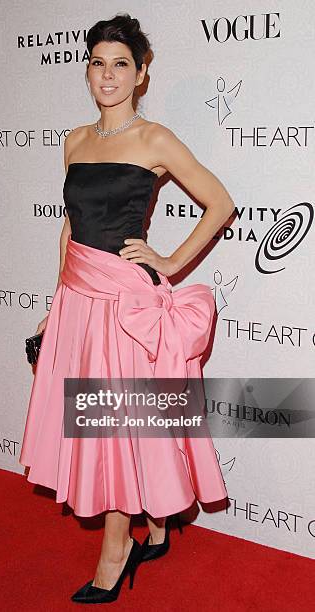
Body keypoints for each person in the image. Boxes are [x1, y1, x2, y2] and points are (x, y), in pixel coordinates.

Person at [19, 13, 234, 604]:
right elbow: (69, 226)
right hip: (79, 301)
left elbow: (220, 202)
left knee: (116, 426)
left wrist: (169, 263)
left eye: (121, 65)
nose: (107, 75)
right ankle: (159, 524)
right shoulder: (74, 140)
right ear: (87, 72)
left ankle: (118, 552)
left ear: (141, 75)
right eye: (97, 63)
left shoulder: (155, 138)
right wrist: (54, 303)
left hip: (123, 304)